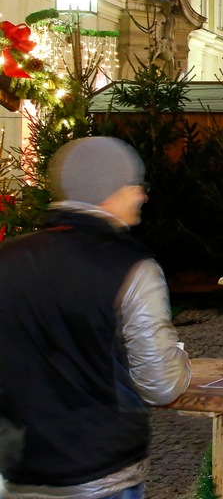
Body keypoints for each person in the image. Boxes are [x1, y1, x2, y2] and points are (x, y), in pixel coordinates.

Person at [0, 137, 190, 499]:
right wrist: (179, 356)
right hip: (102, 471)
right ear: (110, 190)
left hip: (22, 469)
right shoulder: (131, 266)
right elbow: (161, 384)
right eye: (137, 185)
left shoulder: (8, 258)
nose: (142, 195)